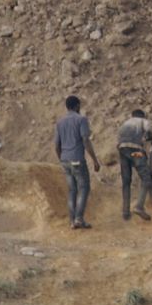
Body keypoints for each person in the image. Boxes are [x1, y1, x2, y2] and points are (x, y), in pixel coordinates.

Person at [55, 95, 101, 229]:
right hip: (77, 160)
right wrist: (95, 160)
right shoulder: (81, 120)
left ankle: (72, 221)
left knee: (72, 190)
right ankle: (79, 218)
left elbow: (56, 145)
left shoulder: (60, 122)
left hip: (65, 160)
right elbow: (86, 140)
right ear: (77, 106)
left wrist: (62, 159)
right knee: (84, 188)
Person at [116, 109, 152, 221]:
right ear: (142, 115)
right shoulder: (143, 121)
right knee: (146, 178)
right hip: (136, 150)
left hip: (122, 149)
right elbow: (150, 134)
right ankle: (139, 206)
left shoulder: (125, 123)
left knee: (126, 181)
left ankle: (125, 212)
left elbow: (118, 140)